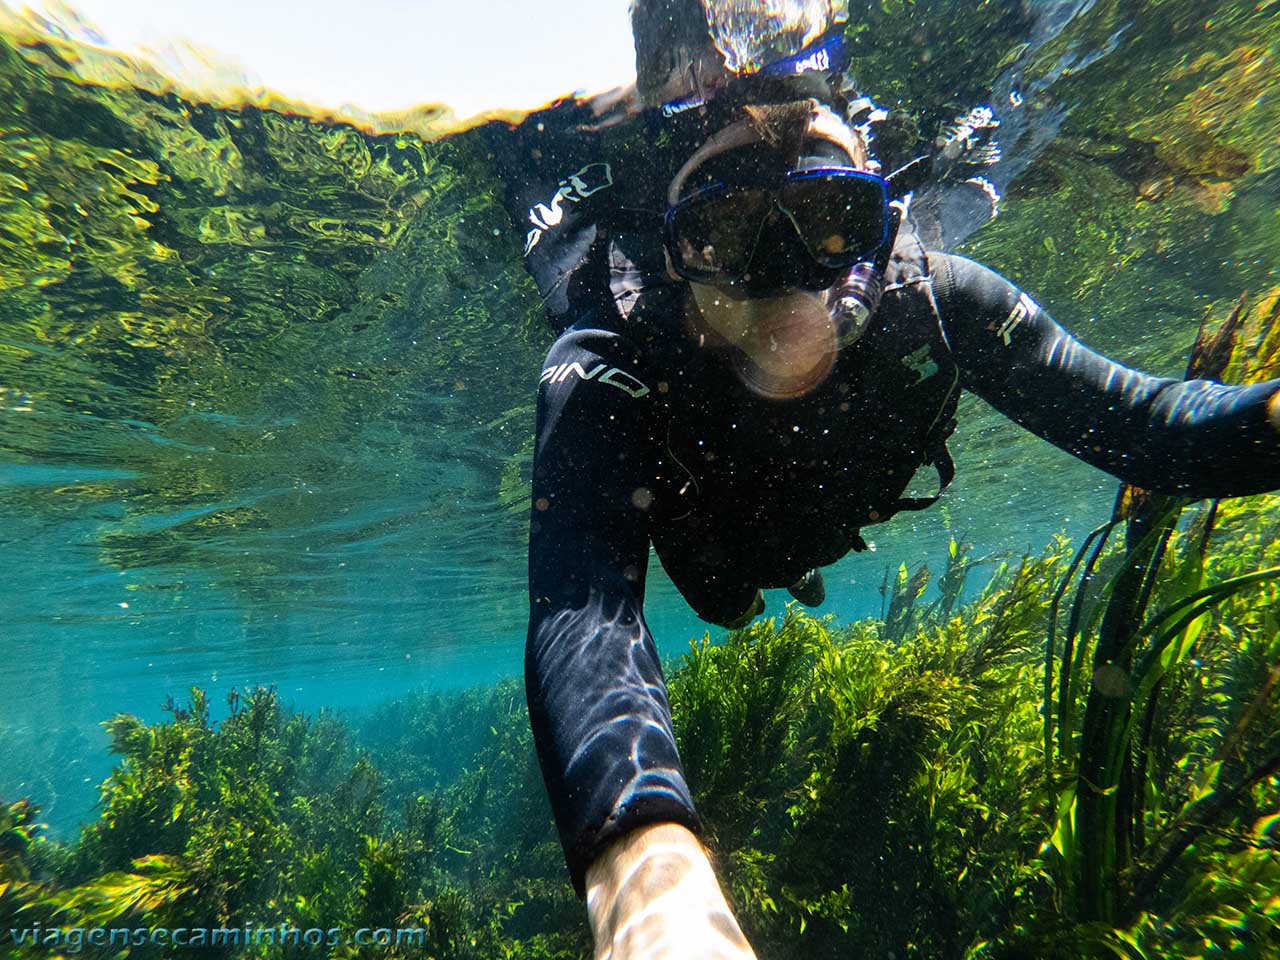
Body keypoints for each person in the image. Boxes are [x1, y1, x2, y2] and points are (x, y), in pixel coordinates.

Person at [484, 2, 1280, 957]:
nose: (787, 278)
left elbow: (1157, 431)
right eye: (731, 233)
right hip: (711, 534)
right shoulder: (610, 354)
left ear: (879, 222)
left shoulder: (940, 302)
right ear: (673, 255)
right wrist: (651, 901)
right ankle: (763, 581)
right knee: (729, 601)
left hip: (818, 513)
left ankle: (793, 565)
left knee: (779, 569)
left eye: (827, 220)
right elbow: (586, 617)